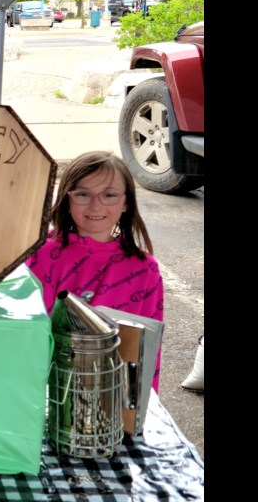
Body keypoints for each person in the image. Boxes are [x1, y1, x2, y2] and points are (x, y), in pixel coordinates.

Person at [26, 151, 164, 391]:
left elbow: (146, 351)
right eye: (82, 194)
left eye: (109, 195)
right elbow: (27, 331)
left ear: (126, 202)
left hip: (109, 394)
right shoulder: (42, 253)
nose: (96, 205)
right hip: (44, 385)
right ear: (66, 199)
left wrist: (139, 409)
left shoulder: (144, 269)